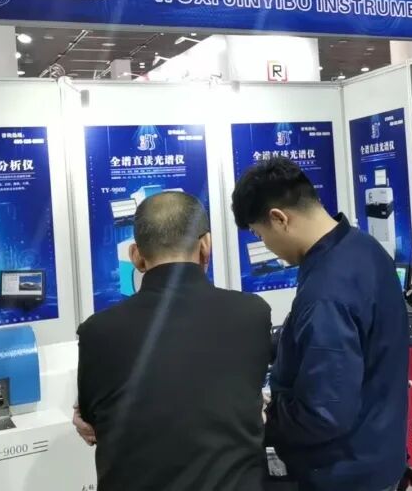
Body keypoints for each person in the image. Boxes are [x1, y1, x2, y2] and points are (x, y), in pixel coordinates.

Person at [231, 158, 408, 491]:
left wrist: (266, 418)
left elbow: (325, 413)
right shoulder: (361, 246)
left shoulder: (327, 290)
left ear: (279, 218)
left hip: (345, 472)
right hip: (379, 450)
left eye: (259, 235)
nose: (266, 246)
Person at [74, 192, 272, 491]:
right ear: (206, 245)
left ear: (136, 256)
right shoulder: (253, 314)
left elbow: (91, 422)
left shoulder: (97, 332)